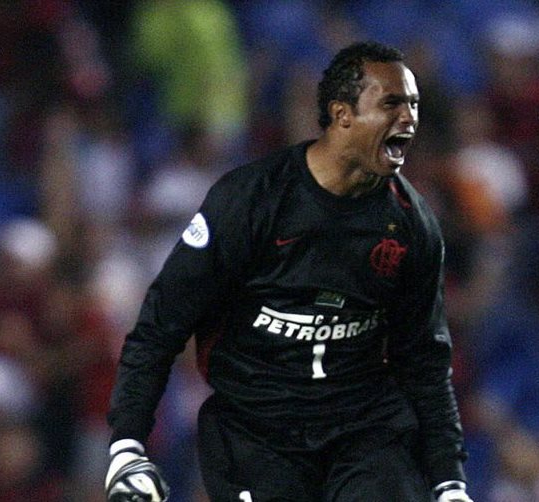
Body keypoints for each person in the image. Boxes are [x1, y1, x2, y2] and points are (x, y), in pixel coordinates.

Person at [105, 41, 473, 502]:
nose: (409, 120)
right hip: (255, 433)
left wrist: (449, 481)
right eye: (392, 104)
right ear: (342, 114)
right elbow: (162, 324)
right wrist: (127, 444)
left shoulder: (412, 225)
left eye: (413, 105)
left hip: (363, 433)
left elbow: (424, 361)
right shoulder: (250, 201)